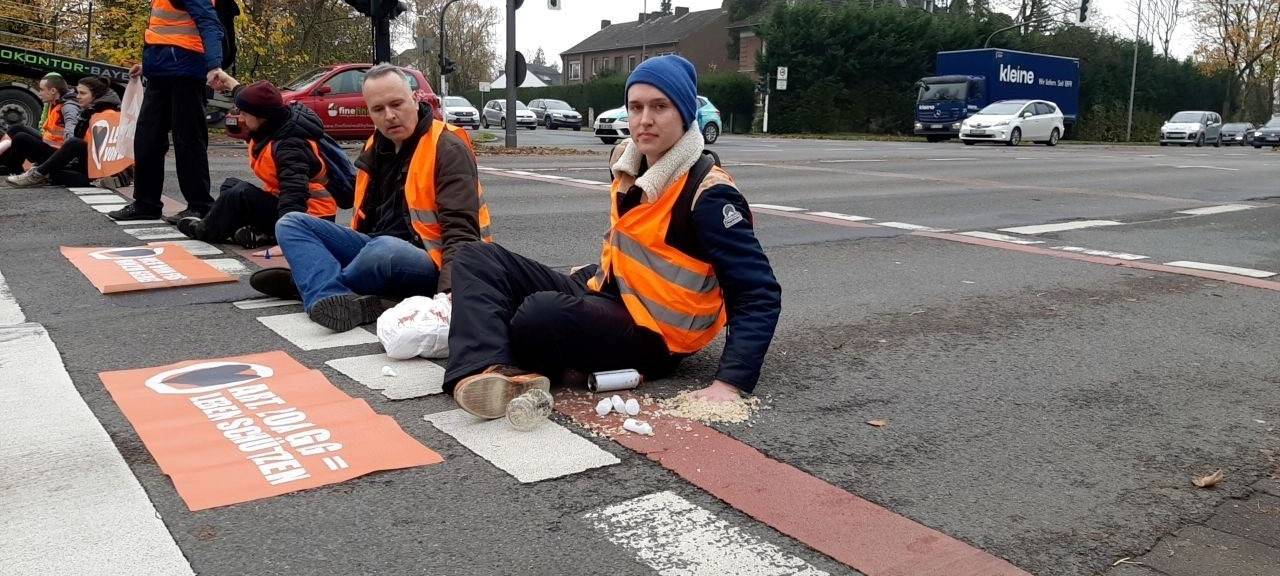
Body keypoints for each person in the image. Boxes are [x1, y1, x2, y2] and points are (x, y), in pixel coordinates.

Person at [444, 55, 782, 419]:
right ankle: (489, 370)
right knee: (475, 257)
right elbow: (639, 243)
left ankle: (493, 342)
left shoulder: (709, 194)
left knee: (538, 315)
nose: (645, 119)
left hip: (657, 336)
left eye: (660, 107)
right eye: (635, 107)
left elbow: (758, 292)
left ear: (685, 114)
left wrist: (730, 382)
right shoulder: (626, 160)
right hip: (611, 293)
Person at [248, 63, 492, 332]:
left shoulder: (447, 146)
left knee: (383, 250)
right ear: (369, 112)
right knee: (291, 224)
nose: (390, 116)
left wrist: (449, 295)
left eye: (397, 104)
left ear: (414, 98)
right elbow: (358, 210)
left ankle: (310, 283)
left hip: (430, 260)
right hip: (373, 246)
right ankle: (329, 296)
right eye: (378, 109)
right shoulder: (375, 145)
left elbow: (461, 234)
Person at [176, 79, 344, 248]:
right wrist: (226, 80)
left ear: (261, 117)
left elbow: (294, 195)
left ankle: (204, 230)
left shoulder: (290, 145)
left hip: (312, 217)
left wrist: (289, 239)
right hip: (291, 206)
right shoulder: (272, 128)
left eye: (245, 114)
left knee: (239, 194)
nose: (241, 118)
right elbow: (249, 97)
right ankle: (254, 232)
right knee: (230, 186)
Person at [107, 0, 224, 222]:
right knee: (146, 139)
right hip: (160, 73)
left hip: (187, 74)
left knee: (188, 141)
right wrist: (147, 66)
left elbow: (210, 24)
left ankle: (199, 205)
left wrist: (214, 66)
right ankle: (146, 203)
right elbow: (162, 35)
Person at [6, 77, 120, 188]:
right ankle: (40, 172)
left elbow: (104, 151)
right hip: (81, 160)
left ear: (95, 95)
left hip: (98, 165)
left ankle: (36, 175)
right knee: (55, 172)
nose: (78, 96)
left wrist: (68, 154)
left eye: (82, 93)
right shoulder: (89, 110)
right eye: (77, 92)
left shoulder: (107, 114)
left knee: (73, 144)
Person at [0, 73, 80, 177]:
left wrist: (70, 156)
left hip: (59, 153)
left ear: (53, 91)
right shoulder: (57, 102)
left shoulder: (68, 106)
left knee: (21, 138)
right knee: (16, 128)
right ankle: (6, 165)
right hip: (51, 145)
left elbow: (72, 129)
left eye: (42, 90)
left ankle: (12, 169)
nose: (40, 93)